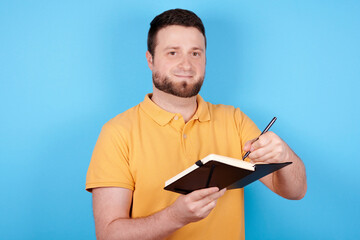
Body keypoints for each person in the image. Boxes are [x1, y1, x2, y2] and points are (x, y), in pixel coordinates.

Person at [86, 8, 307, 240]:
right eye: (173, 53)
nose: (186, 65)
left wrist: (283, 154)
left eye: (195, 53)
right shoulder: (117, 132)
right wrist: (176, 217)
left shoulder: (234, 120)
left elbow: (296, 191)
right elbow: (108, 235)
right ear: (150, 60)